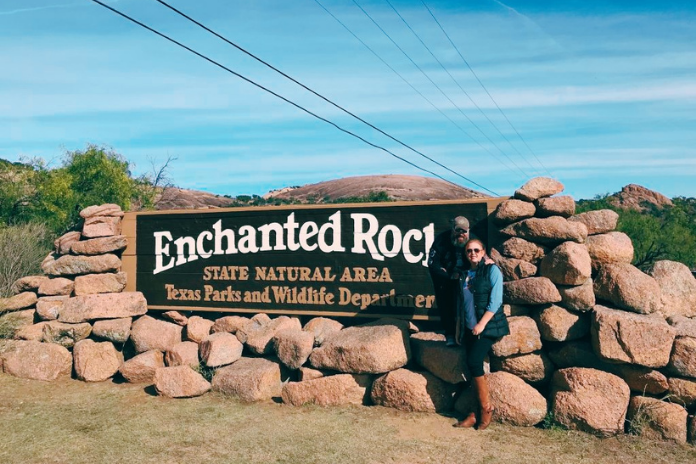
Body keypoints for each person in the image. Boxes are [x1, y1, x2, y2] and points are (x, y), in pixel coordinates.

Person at [453, 238, 509, 430]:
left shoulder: (492, 270)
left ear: (484, 251)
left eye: (477, 250)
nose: (473, 253)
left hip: (488, 327)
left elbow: (496, 301)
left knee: (474, 362)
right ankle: (474, 413)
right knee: (470, 367)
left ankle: (486, 409)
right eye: (469, 251)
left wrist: (481, 324)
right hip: (469, 327)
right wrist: (460, 328)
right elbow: (462, 303)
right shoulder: (465, 274)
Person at [427, 216, 471, 346]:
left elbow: (479, 258)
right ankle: (450, 335)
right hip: (446, 281)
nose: (461, 234)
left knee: (467, 308)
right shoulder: (441, 240)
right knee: (446, 306)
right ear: (452, 229)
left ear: (468, 230)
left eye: (464, 231)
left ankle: (467, 336)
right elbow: (432, 263)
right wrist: (448, 276)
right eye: (458, 230)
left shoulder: (473, 240)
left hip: (467, 280)